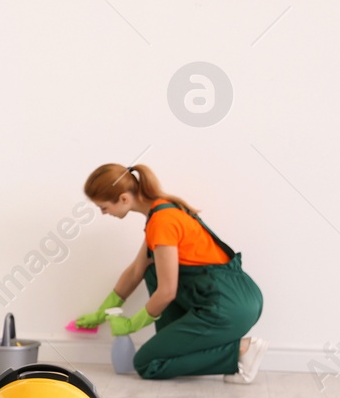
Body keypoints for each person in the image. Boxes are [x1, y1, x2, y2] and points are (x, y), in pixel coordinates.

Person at [75, 163, 265, 382]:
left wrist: (131, 325)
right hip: (236, 299)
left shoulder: (162, 221)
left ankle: (241, 351)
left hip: (228, 307)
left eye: (104, 207)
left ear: (124, 198)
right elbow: (137, 269)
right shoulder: (162, 211)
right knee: (152, 270)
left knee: (147, 364)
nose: (103, 213)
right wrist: (103, 312)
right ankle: (186, 345)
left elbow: (167, 292)